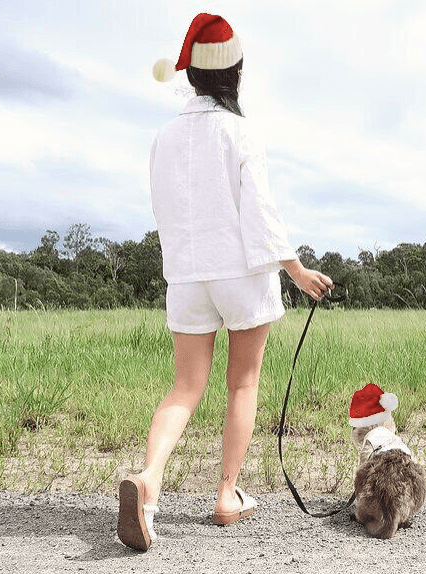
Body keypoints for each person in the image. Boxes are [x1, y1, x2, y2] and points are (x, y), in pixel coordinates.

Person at [117, 13, 332, 552]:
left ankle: (149, 485)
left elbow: (161, 209)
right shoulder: (240, 132)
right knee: (243, 383)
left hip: (187, 275)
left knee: (184, 388)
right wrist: (296, 270)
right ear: (233, 72)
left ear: (192, 75)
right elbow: (259, 213)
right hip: (239, 272)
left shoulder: (163, 138)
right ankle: (227, 495)